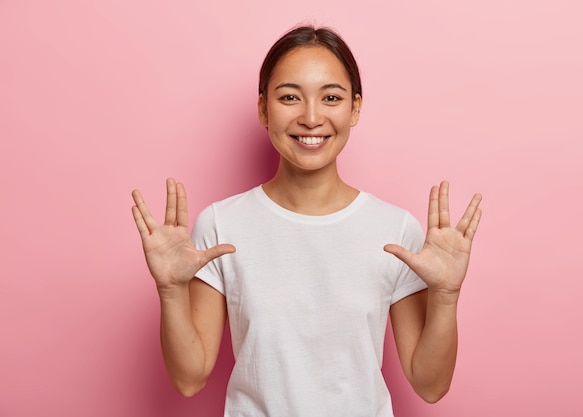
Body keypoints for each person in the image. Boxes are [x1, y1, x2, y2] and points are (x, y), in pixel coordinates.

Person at [131, 25, 482, 417]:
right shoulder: (220, 225)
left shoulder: (396, 231)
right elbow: (189, 378)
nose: (311, 117)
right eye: (290, 98)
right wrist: (169, 290)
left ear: (356, 108)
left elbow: (430, 385)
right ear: (264, 109)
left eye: (331, 97)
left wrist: (447, 296)